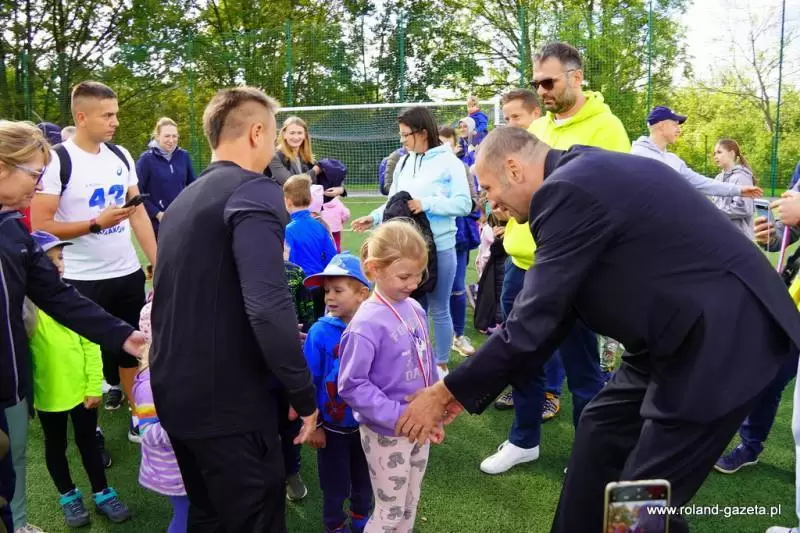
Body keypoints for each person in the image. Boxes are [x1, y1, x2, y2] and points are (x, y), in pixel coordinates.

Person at [395, 126, 800, 533]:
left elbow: (534, 320)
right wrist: (463, 392)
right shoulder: (580, 174)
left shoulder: (565, 190)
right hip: (672, 337)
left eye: (487, 187)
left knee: (640, 500)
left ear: (514, 169)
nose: (490, 202)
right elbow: (553, 316)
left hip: (724, 342)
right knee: (600, 429)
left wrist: (444, 393)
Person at [150, 87, 318, 532]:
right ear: (257, 132)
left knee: (208, 517)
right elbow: (268, 305)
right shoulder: (255, 190)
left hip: (176, 393)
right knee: (253, 517)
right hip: (228, 404)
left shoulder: (184, 199)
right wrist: (302, 392)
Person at [482, 43, 625, 475]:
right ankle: (523, 440)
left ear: (576, 77)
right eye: (536, 82)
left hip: (573, 274)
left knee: (583, 370)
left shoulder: (607, 128)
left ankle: (588, 454)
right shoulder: (539, 128)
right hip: (521, 266)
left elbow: (610, 205)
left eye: (549, 81)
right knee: (522, 360)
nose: (541, 90)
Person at [0, 119, 146, 533]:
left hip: (9, 385)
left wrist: (125, 336)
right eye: (34, 173)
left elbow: (58, 296)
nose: (40, 185)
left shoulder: (14, 229)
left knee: (10, 462)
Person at [31, 81, 157, 440]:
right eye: (107, 115)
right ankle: (92, 430)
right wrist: (93, 224)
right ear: (81, 117)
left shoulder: (121, 155)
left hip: (126, 272)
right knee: (82, 358)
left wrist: (158, 262)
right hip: (79, 279)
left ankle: (139, 416)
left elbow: (137, 212)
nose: (115, 121)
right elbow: (40, 225)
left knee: (133, 348)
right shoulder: (58, 160)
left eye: (115, 114)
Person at [338, 220, 444, 533]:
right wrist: (399, 416)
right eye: (404, 276)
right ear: (374, 269)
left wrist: (433, 413)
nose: (413, 283)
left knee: (410, 501)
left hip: (418, 425)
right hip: (387, 431)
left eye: (419, 274)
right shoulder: (365, 325)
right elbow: (352, 385)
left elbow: (426, 360)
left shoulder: (415, 308)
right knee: (389, 511)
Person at [352, 106, 471, 378]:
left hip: (440, 248)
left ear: (423, 133)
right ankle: (417, 360)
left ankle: (440, 366)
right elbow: (394, 201)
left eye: (406, 134)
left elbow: (464, 204)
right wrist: (373, 217)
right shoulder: (404, 162)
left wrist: (426, 203)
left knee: (439, 308)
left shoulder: (450, 162)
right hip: (407, 251)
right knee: (414, 308)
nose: (402, 140)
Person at [28, 230, 131, 528]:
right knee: (55, 445)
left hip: (83, 392)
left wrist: (92, 386)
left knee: (88, 442)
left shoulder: (73, 301)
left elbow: (91, 345)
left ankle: (102, 492)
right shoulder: (23, 310)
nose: (58, 264)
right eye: (49, 260)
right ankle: (68, 496)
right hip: (47, 396)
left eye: (60, 257)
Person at [302, 254, 372, 533]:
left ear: (362, 294)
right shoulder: (319, 333)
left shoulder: (374, 327)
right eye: (326, 290)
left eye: (338, 290)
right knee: (334, 484)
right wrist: (316, 424)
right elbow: (310, 380)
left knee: (366, 478)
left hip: (368, 427)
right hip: (331, 429)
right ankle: (334, 524)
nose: (329, 297)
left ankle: (361, 518)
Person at [631, 106, 763, 199]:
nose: (679, 129)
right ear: (662, 126)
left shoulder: (673, 160)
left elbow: (701, 182)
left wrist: (738, 190)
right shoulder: (638, 155)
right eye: (675, 125)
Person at [133, 342, 187, 533]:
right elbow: (148, 433)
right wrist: (186, 424)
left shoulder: (179, 376)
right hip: (173, 470)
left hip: (188, 464)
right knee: (186, 516)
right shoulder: (149, 387)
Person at [284, 174, 338, 318]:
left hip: (300, 289)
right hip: (320, 286)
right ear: (311, 200)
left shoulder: (288, 230)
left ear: (287, 201)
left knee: (304, 326)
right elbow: (332, 257)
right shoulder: (320, 226)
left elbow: (287, 263)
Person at [136, 117, 196, 236]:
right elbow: (137, 194)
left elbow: (193, 185)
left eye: (174, 136)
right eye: (167, 136)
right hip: (158, 224)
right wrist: (157, 214)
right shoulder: (146, 160)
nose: (171, 140)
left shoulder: (183, 156)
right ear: (157, 136)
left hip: (181, 220)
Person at [710, 138, 756, 239]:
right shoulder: (718, 178)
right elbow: (715, 203)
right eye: (714, 153)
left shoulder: (742, 177)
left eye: (719, 152)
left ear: (731, 154)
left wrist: (715, 211)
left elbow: (745, 209)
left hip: (739, 236)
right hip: (721, 233)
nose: (715, 156)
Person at [266, 116, 321, 185]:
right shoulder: (274, 156)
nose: (296, 137)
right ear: (284, 135)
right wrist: (315, 171)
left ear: (304, 135)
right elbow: (291, 184)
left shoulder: (305, 155)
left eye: (300, 133)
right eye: (292, 133)